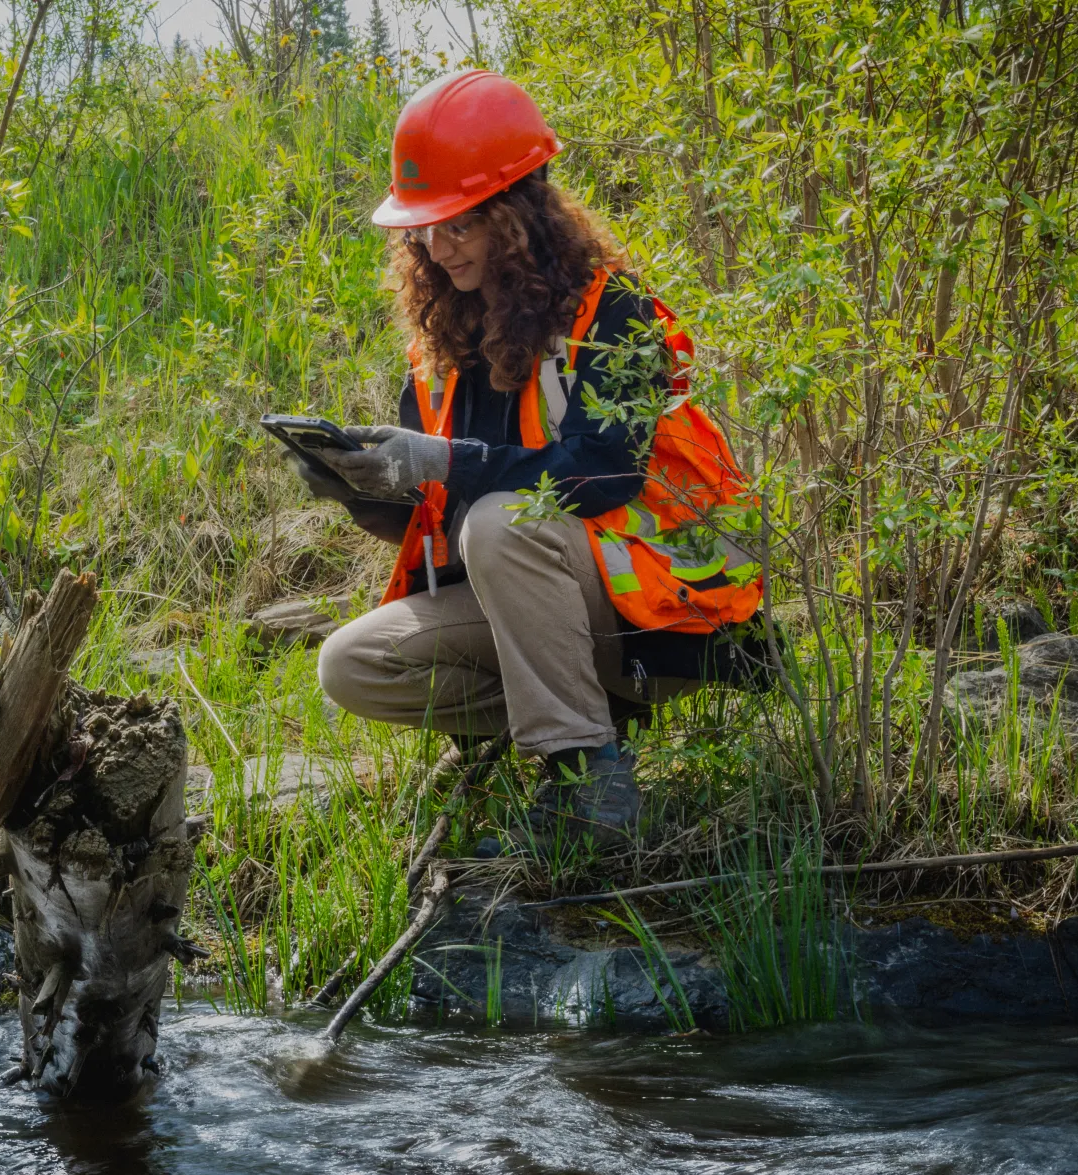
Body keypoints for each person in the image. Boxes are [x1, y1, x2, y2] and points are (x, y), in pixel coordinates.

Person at [300, 71, 765, 850]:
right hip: (544, 610)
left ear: (518, 218)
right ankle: (583, 718)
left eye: (459, 226)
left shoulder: (618, 312)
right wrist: (360, 490)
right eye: (423, 230)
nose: (436, 249)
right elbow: (437, 521)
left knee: (502, 523)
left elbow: (608, 471)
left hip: (663, 609)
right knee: (351, 665)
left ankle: (589, 783)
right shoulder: (440, 341)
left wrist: (447, 462)